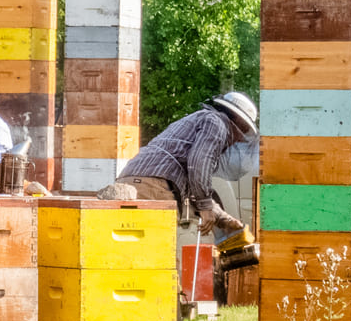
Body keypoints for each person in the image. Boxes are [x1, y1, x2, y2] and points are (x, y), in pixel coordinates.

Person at [102, 91, 258, 235]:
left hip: (131, 181)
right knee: (158, 254)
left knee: (134, 253)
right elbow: (198, 163)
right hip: (154, 188)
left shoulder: (196, 120)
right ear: (235, 119)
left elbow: (192, 184)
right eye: (242, 130)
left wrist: (226, 219)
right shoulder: (215, 123)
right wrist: (205, 207)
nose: (239, 139)